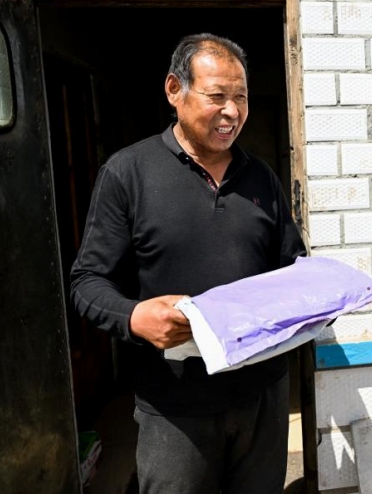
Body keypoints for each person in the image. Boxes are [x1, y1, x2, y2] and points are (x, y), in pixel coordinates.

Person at [71, 33, 306, 493]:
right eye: (217, 96)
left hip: (262, 397)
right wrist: (134, 315)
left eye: (241, 97)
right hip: (174, 405)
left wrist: (320, 290)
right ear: (174, 91)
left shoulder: (260, 177)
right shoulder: (128, 173)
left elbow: (291, 264)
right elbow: (87, 281)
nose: (233, 111)